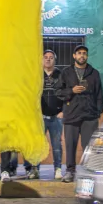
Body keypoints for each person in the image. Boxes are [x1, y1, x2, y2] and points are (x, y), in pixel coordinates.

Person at [55, 45, 103, 183]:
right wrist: (72, 90)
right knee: (70, 146)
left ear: (87, 56)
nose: (82, 55)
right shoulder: (66, 72)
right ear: (74, 56)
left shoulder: (94, 73)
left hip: (90, 116)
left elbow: (99, 94)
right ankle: (70, 171)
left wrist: (98, 111)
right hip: (71, 115)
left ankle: (88, 172)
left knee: (89, 147)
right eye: (79, 53)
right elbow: (58, 91)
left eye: (84, 53)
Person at [33, 49, 64, 180]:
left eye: (51, 57)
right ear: (42, 60)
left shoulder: (61, 75)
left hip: (56, 116)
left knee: (57, 145)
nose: (48, 59)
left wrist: (63, 111)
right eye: (46, 57)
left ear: (54, 60)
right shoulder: (36, 75)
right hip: (40, 117)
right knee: (38, 145)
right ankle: (35, 170)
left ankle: (57, 169)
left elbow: (66, 94)